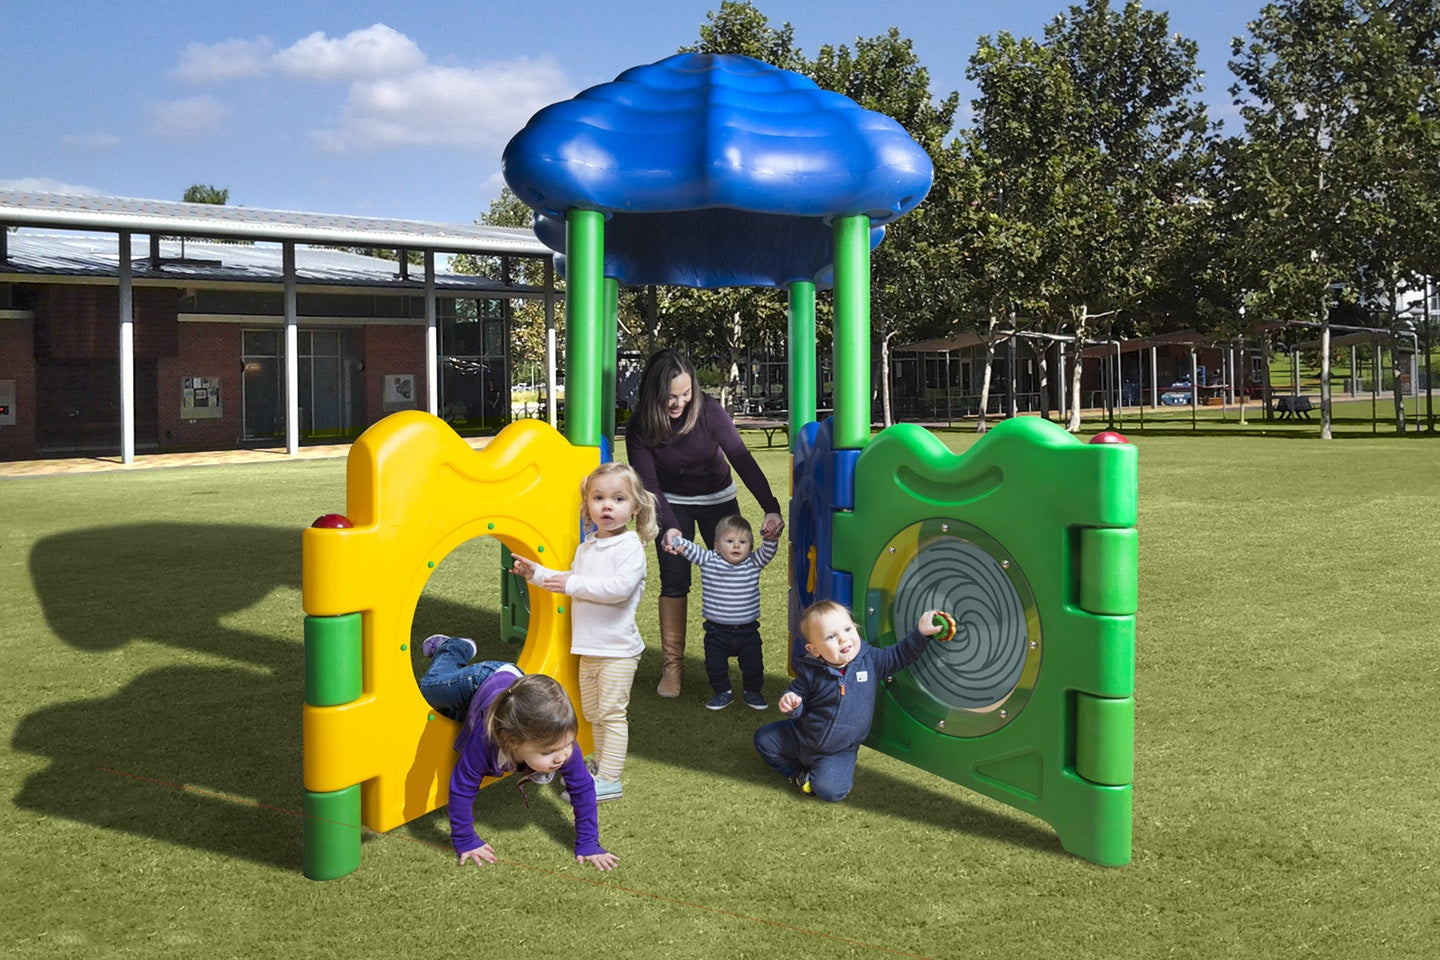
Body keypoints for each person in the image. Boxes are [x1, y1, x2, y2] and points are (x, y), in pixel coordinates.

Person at [626, 349, 785, 699]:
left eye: (685, 394)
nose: (679, 402)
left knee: (731, 571)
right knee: (675, 579)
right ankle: (673, 667)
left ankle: (737, 656)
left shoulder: (709, 410)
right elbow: (649, 486)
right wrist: (669, 526)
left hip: (718, 501)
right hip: (670, 502)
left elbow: (742, 460)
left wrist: (770, 508)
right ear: (654, 393)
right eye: (670, 397)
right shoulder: (639, 426)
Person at [512, 461, 658, 802]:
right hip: (590, 647)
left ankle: (610, 778)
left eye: (618, 499)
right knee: (593, 715)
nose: (607, 505)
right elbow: (571, 583)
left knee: (611, 714)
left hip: (617, 650)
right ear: (587, 504)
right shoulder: (588, 546)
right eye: (599, 497)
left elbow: (618, 589)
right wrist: (536, 574)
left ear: (635, 506)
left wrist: (571, 581)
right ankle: (603, 766)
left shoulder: (630, 548)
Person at [416, 639, 618, 871]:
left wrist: (589, 843)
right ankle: (455, 648)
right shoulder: (484, 739)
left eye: (568, 744)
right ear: (512, 742)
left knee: (457, 714)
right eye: (548, 752)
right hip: (482, 679)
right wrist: (465, 840)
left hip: (513, 700)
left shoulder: (560, 740)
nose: (562, 756)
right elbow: (463, 785)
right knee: (428, 689)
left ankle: (531, 761)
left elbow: (582, 788)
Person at [753, 601, 952, 802]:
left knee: (831, 791)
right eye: (831, 637)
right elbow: (798, 697)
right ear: (814, 650)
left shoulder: (871, 661)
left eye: (847, 629)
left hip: (839, 750)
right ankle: (797, 773)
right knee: (763, 739)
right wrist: (792, 704)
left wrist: (921, 634)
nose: (843, 639)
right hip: (801, 736)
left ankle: (815, 775)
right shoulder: (810, 670)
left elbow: (900, 655)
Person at [665, 513, 779, 710]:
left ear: (750, 548)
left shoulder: (753, 563)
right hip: (716, 632)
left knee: (753, 666)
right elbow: (690, 549)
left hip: (748, 632)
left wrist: (769, 538)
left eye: (742, 542)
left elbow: (767, 552)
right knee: (715, 666)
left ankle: (752, 692)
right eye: (730, 541)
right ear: (717, 546)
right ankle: (722, 692)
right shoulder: (709, 560)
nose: (736, 546)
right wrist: (676, 541)